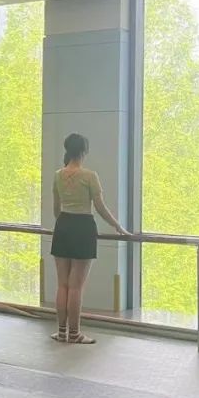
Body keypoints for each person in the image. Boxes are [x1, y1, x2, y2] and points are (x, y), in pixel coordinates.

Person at [50, 133, 127, 345]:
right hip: (83, 226)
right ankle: (75, 333)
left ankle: (62, 332)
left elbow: (56, 208)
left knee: (62, 285)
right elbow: (100, 207)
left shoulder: (57, 175)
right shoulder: (89, 176)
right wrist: (117, 226)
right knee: (76, 286)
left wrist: (62, 223)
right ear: (84, 151)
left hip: (63, 225)